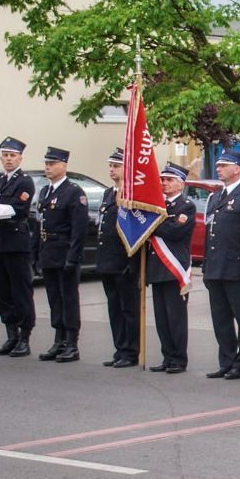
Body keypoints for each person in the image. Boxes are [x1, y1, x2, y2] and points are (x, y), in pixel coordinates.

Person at [203, 147, 240, 380]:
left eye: (223, 165)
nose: (218, 168)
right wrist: (206, 266)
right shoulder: (216, 196)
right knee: (221, 319)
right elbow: (211, 233)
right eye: (218, 165)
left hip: (236, 268)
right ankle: (226, 360)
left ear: (236, 169)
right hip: (216, 268)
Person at [34, 146, 89, 363]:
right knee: (54, 299)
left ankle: (71, 343)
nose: (48, 168)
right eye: (46, 164)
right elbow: (40, 225)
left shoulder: (74, 192)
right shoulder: (46, 192)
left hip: (65, 251)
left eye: (52, 164)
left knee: (68, 299)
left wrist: (73, 257)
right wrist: (37, 254)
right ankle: (58, 340)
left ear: (63, 166)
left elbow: (79, 229)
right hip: (49, 252)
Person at [0, 136, 37, 357]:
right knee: (2, 290)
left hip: (15, 240)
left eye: (12, 156)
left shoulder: (24, 182)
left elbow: (18, 208)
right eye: (5, 155)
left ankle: (24, 337)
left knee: (20, 291)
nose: (8, 159)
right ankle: (11, 334)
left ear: (20, 158)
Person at [147, 163, 197, 374]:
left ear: (180, 183)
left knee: (175, 316)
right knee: (161, 317)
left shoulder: (186, 206)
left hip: (174, 267)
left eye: (169, 180)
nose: (164, 184)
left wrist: (153, 224)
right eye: (163, 180)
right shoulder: (159, 206)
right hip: (157, 267)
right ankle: (167, 356)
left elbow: (175, 232)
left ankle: (179, 358)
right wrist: (158, 224)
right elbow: (163, 228)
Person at [97, 148, 139, 368]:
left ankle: (131, 351)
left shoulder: (132, 194)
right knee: (114, 308)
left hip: (124, 261)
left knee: (128, 308)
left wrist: (132, 262)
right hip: (108, 260)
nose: (112, 170)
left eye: (117, 166)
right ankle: (120, 347)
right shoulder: (107, 193)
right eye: (111, 166)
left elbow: (135, 230)